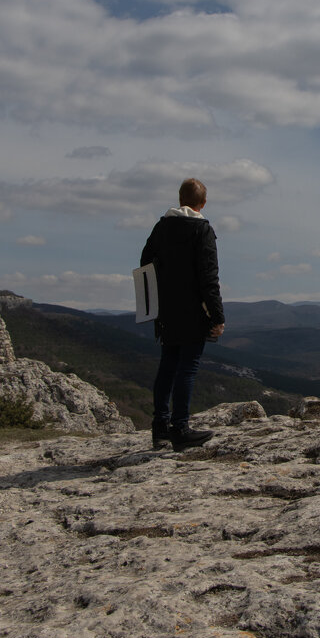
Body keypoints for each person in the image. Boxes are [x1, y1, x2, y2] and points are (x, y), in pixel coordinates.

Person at [140, 178, 226, 451]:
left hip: (165, 309)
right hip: (192, 311)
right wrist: (217, 316)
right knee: (187, 368)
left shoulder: (161, 227)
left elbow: (145, 263)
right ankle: (180, 428)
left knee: (168, 365)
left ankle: (160, 428)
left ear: (180, 200)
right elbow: (209, 277)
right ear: (203, 203)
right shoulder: (202, 229)